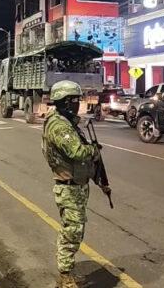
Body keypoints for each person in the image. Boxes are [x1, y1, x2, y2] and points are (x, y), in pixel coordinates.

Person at [42, 80, 104, 288]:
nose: (78, 103)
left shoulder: (68, 122)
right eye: (74, 100)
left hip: (77, 185)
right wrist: (93, 150)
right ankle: (65, 275)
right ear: (65, 101)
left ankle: (68, 271)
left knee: (76, 230)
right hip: (68, 186)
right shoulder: (59, 125)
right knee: (71, 231)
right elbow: (76, 151)